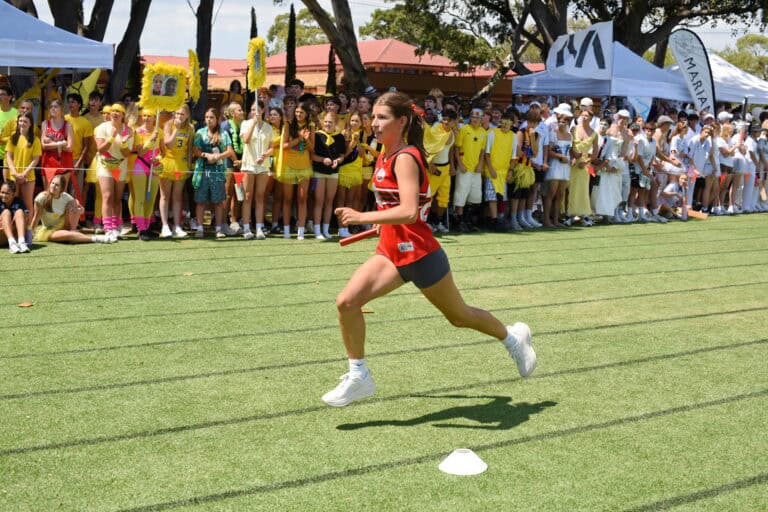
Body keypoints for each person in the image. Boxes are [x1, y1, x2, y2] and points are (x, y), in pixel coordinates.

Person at [321, 92, 536, 407]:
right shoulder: (384, 154)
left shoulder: (406, 157)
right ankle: (359, 376)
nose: (374, 123)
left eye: (382, 117)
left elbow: (409, 211)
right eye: (374, 117)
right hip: (391, 252)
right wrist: (382, 223)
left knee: (459, 316)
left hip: (420, 253)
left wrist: (363, 216)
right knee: (347, 302)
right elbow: (407, 207)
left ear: (402, 122)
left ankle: (513, 338)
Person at [93, 103, 134, 242]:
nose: (115, 113)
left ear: (123, 115)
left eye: (119, 111)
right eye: (113, 111)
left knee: (117, 197)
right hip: (105, 165)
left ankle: (117, 226)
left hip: (121, 165)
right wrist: (112, 137)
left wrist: (123, 142)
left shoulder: (129, 130)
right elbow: (100, 149)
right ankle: (108, 228)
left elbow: (127, 153)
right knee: (108, 196)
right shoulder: (101, 128)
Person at [29, 174, 109, 244]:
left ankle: (74, 230)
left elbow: (81, 208)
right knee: (68, 236)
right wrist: (29, 235)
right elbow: (35, 218)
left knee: (74, 203)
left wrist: (79, 210)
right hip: (50, 229)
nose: (53, 186)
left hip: (65, 225)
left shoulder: (65, 196)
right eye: (52, 183)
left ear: (61, 189)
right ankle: (96, 238)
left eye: (57, 185)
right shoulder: (41, 198)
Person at [192, 108, 234, 238]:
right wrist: (206, 155)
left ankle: (218, 229)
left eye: (211, 117)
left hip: (218, 171)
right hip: (203, 170)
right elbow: (195, 150)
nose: (208, 120)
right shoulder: (200, 132)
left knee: (218, 201)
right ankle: (200, 228)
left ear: (217, 119)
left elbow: (230, 151)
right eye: (207, 117)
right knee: (201, 201)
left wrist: (217, 156)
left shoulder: (223, 133)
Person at [239, 101, 274, 240]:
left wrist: (265, 155)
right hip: (248, 164)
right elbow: (246, 140)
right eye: (252, 109)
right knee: (247, 196)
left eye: (257, 110)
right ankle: (246, 228)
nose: (255, 112)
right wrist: (253, 122)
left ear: (263, 110)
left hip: (263, 165)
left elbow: (272, 147)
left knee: (260, 196)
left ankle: (259, 227)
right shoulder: (245, 124)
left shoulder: (268, 128)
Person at [159, 104, 194, 238]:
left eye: (182, 114)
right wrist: (176, 130)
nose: (179, 116)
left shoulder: (190, 128)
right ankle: (164, 225)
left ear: (187, 115)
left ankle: (177, 226)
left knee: (177, 196)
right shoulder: (168, 124)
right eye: (177, 114)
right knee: (165, 195)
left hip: (181, 164)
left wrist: (189, 165)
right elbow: (169, 143)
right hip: (168, 161)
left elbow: (189, 148)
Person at [131, 108, 164, 241]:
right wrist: (151, 139)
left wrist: (159, 159)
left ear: (154, 118)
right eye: (144, 115)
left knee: (150, 199)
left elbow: (164, 152)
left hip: (154, 167)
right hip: (140, 165)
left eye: (149, 116)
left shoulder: (159, 131)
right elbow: (141, 152)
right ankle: (141, 229)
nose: (146, 118)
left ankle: (147, 226)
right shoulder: (137, 131)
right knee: (140, 199)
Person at [311, 112, 345, 239]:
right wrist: (322, 160)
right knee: (319, 200)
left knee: (329, 201)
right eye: (325, 121)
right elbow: (312, 155)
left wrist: (338, 161)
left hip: (333, 173)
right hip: (319, 171)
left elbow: (342, 155)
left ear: (335, 123)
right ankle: (317, 230)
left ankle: (326, 229)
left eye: (330, 122)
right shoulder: (318, 135)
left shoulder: (339, 137)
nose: (327, 124)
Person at [4, 112, 41, 218]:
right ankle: (11, 227)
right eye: (20, 121)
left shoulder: (35, 140)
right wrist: (15, 173)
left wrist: (24, 174)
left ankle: (28, 229)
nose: (22, 123)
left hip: (28, 177)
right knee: (11, 202)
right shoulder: (13, 137)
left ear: (30, 124)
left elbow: (35, 160)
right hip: (13, 175)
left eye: (25, 121)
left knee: (28, 204)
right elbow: (9, 157)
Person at [40, 99, 74, 190]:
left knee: (62, 192)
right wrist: (61, 143)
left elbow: (70, 147)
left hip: (64, 162)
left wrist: (50, 143)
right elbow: (43, 146)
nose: (53, 109)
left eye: (55, 107)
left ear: (61, 109)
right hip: (48, 161)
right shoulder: (45, 124)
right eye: (51, 107)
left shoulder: (68, 125)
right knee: (48, 191)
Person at [0, 181, 30, 253]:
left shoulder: (19, 201)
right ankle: (12, 243)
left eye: (7, 193)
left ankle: (21, 242)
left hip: (14, 232)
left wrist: (16, 221)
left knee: (19, 211)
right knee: (6, 212)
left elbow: (26, 217)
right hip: (1, 234)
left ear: (13, 194)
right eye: (2, 192)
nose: (3, 195)